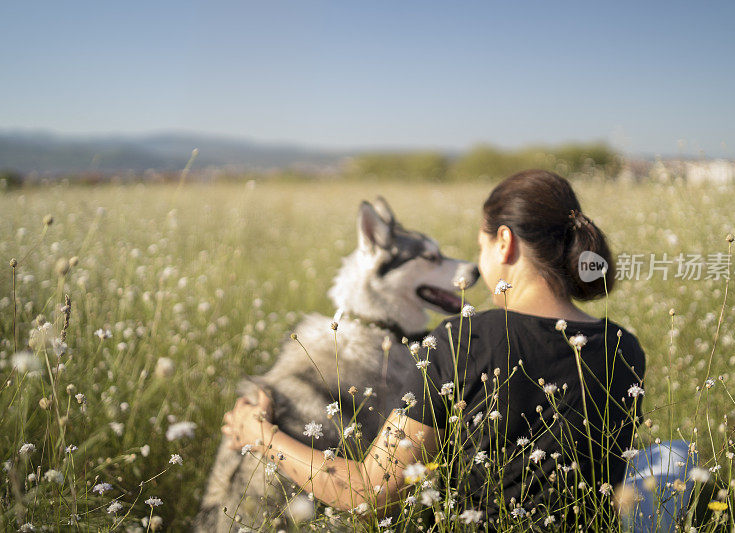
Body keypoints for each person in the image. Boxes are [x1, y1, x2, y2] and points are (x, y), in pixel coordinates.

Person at [222, 169, 647, 530]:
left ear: (504, 241)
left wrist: (260, 435)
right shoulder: (624, 347)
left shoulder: (469, 339)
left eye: (480, 248)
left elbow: (368, 494)